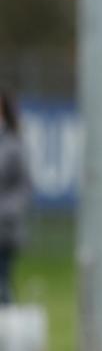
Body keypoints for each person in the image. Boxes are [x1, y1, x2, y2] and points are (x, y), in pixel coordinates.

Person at [0, 90, 30, 305]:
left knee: (2, 283)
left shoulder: (13, 146)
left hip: (4, 230)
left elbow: (24, 187)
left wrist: (4, 211)